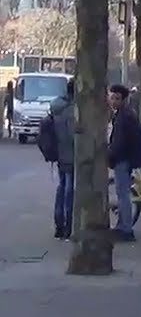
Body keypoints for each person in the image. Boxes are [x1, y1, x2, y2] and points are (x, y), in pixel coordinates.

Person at [107, 84, 141, 242]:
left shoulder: (124, 116)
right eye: (112, 97)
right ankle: (123, 225)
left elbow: (120, 142)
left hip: (123, 159)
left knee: (123, 194)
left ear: (123, 99)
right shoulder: (125, 114)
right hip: (127, 158)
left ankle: (126, 228)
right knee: (123, 193)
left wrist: (110, 155)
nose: (113, 101)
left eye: (117, 98)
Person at [46, 80, 76, 239]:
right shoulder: (71, 111)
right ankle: (67, 227)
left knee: (62, 188)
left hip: (59, 154)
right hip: (71, 154)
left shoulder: (56, 106)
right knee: (69, 191)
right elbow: (72, 135)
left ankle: (59, 225)